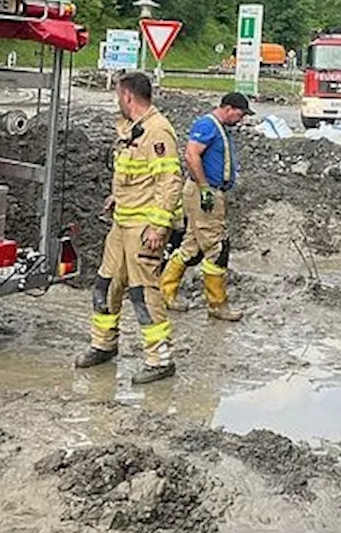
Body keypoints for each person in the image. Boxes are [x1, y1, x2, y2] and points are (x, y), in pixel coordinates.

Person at [75, 72, 182, 384]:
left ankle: (160, 359)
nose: (116, 102)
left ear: (127, 97)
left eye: (117, 96)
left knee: (143, 293)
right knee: (106, 286)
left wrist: (159, 226)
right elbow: (136, 174)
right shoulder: (133, 130)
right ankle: (103, 344)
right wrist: (116, 197)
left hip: (143, 228)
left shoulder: (157, 131)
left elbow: (169, 181)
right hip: (122, 223)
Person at [158, 92, 251, 321]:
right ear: (228, 108)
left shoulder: (219, 127)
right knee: (217, 248)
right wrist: (204, 188)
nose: (241, 119)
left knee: (191, 246)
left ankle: (165, 292)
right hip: (205, 193)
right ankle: (217, 304)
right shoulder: (207, 125)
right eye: (240, 114)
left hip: (207, 191)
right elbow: (191, 155)